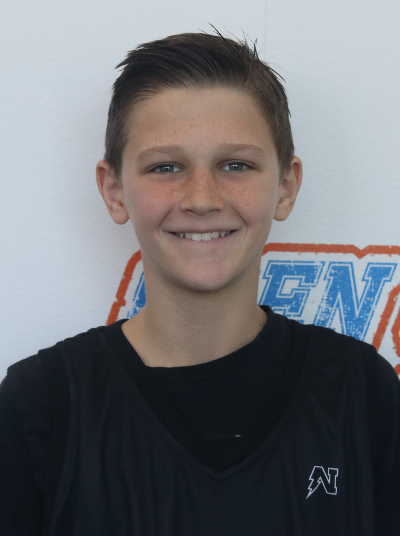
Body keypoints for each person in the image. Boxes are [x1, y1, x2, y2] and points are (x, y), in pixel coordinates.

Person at [1, 31, 399, 535]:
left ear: (285, 186)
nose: (202, 198)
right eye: (166, 167)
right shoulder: (41, 405)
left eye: (236, 165)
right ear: (114, 190)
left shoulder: (362, 393)